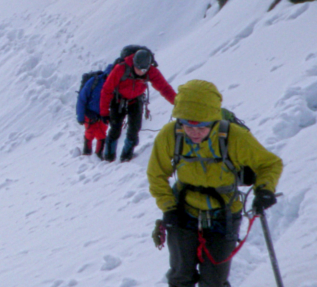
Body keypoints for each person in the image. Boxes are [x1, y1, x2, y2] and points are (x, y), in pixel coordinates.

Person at [147, 80, 282, 287]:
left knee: (215, 280)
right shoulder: (171, 135)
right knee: (180, 275)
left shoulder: (233, 137)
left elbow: (269, 163)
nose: (194, 132)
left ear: (213, 121)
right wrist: (168, 207)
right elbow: (156, 174)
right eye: (187, 125)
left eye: (201, 126)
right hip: (183, 210)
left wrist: (264, 189)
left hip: (224, 212)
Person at [99, 47, 176, 162]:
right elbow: (107, 90)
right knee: (115, 129)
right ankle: (108, 157)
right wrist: (104, 113)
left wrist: (177, 102)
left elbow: (164, 88)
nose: (141, 72)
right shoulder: (121, 68)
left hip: (135, 100)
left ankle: (126, 156)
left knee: (134, 129)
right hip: (118, 99)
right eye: (138, 69)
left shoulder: (151, 71)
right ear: (133, 63)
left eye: (144, 70)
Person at [76, 65, 112, 158]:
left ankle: (98, 155)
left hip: (103, 115)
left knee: (101, 134)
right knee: (90, 133)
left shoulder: (115, 85)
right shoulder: (94, 82)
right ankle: (87, 154)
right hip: (90, 114)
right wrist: (80, 116)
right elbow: (82, 99)